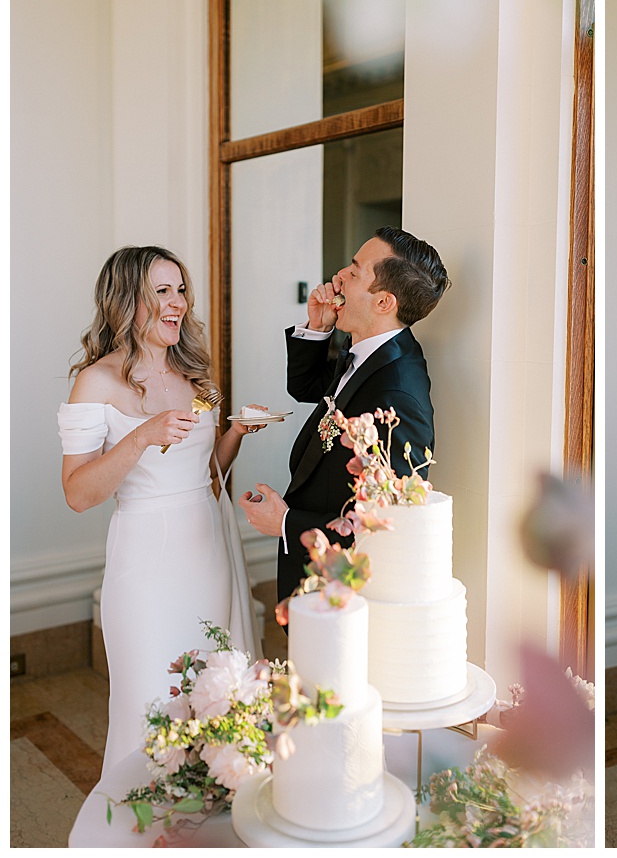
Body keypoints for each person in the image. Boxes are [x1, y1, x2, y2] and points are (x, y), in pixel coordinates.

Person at [59, 246, 264, 775]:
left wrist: (236, 433)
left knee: (214, 694)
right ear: (127, 301)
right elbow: (79, 494)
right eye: (161, 292)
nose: (178, 303)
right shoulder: (96, 382)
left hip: (208, 554)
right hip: (145, 564)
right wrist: (142, 437)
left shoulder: (195, 375)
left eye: (180, 290)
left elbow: (206, 482)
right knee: (151, 700)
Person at [239, 227, 450, 608]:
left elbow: (387, 523)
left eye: (354, 272)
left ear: (384, 302)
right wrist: (318, 328)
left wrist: (286, 523)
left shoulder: (397, 393)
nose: (339, 276)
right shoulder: (370, 351)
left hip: (343, 589)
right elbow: (307, 390)